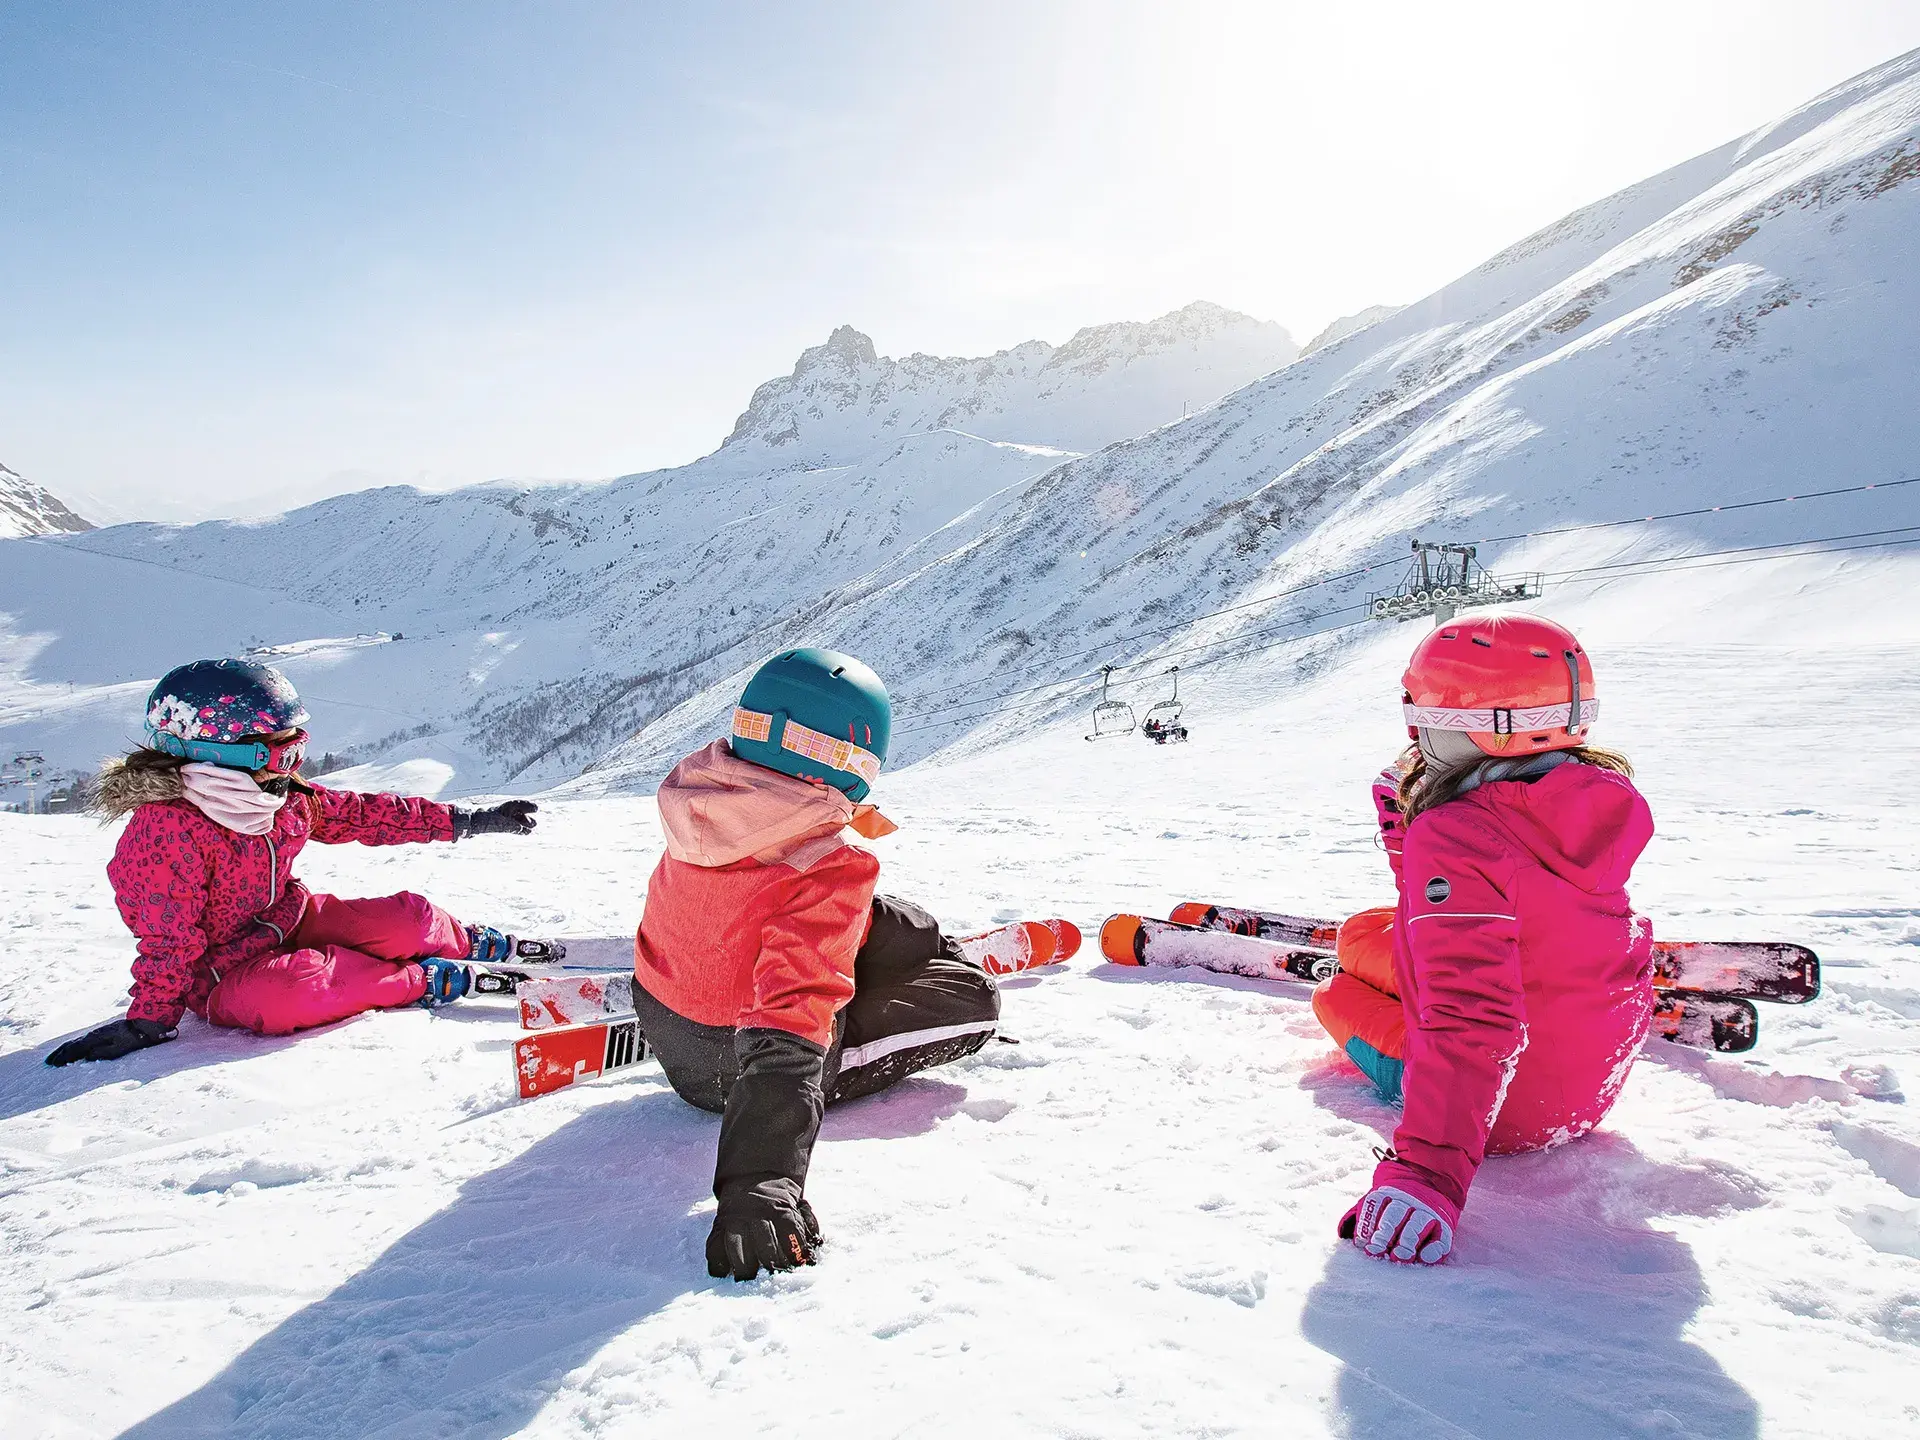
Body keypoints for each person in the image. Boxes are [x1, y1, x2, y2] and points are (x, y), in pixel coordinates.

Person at [629, 647, 1001, 1282]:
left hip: (665, 1018)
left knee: (872, 923)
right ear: (852, 761)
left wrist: (911, 931)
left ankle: (911, 943)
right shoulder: (830, 866)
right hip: (735, 1074)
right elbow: (788, 1024)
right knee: (972, 999)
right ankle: (935, 963)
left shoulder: (701, 806)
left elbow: (760, 904)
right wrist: (760, 1188)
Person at [1311, 614, 1653, 1265]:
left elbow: (1471, 1013)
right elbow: (1468, 897)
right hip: (1589, 1087)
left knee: (1333, 993)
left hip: (1506, 1115)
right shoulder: (1589, 799)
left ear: (1468, 721)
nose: (1413, 730)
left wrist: (1427, 1175)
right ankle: (1371, 965)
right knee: (1363, 930)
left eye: (1421, 713)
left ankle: (1355, 993)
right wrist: (1405, 837)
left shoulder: (1460, 831)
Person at [46, 658, 538, 1066]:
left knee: (409, 918)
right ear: (212, 752)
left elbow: (362, 816)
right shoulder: (165, 833)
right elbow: (168, 938)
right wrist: (150, 1019)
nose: (293, 767)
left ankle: (470, 943)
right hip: (221, 974)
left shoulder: (277, 796)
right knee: (293, 991)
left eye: (297, 746)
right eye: (280, 753)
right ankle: (416, 978)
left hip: (293, 919)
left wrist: (465, 821)